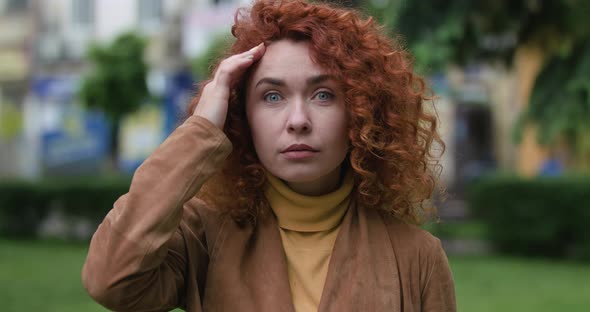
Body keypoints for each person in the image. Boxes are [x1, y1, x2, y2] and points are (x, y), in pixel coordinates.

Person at [82, 0, 456, 311]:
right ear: (242, 116)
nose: (298, 121)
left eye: (323, 94)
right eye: (272, 96)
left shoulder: (416, 258)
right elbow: (110, 280)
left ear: (361, 111)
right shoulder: (203, 235)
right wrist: (201, 130)